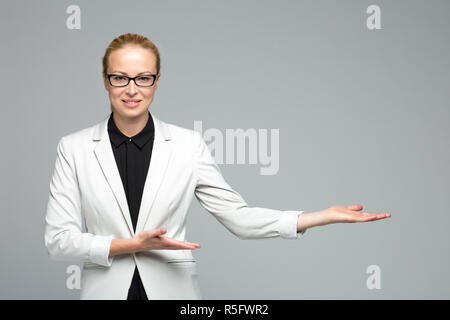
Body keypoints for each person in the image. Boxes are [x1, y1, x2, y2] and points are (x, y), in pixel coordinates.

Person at [44, 33, 391, 300]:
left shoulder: (187, 145)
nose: (132, 89)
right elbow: (59, 241)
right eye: (120, 78)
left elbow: (238, 218)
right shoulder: (73, 148)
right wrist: (129, 245)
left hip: (174, 293)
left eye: (143, 78)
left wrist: (317, 217)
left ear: (157, 81)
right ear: (106, 80)